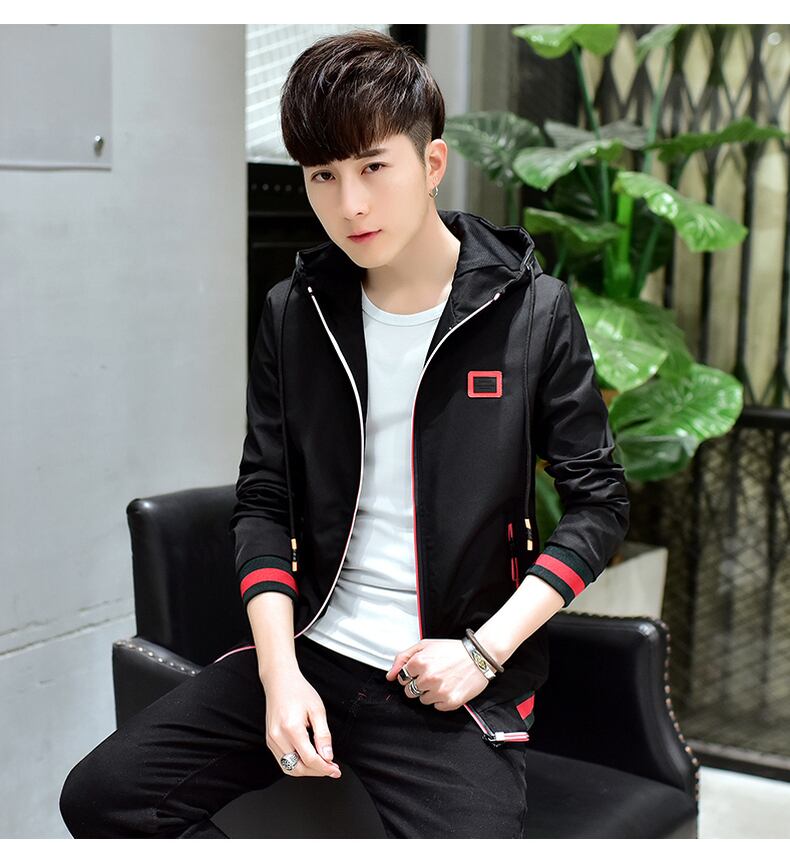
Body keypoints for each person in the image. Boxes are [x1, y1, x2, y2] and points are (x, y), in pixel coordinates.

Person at [59, 29, 630, 838]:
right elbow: (265, 499)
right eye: (322, 175)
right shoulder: (297, 311)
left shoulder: (532, 312)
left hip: (447, 678)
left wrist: (482, 652)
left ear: (431, 163)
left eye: (372, 167)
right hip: (312, 650)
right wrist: (280, 674)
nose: (349, 204)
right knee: (103, 795)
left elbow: (599, 503)